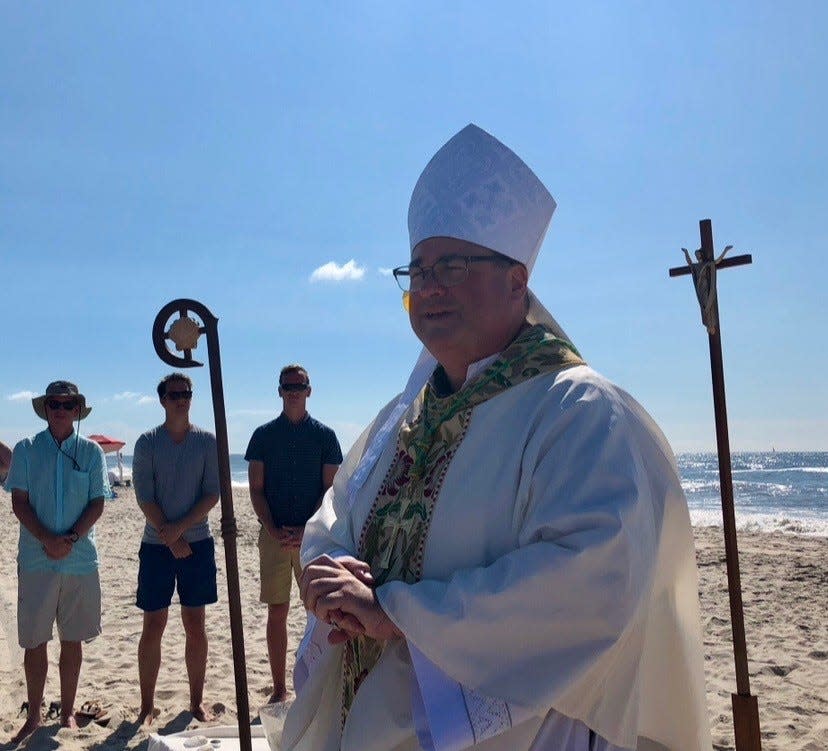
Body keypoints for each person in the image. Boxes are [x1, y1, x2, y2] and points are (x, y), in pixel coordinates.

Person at [283, 125, 712, 751]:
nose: (428, 286)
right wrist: (325, 566)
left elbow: (594, 580)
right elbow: (337, 508)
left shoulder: (580, 410)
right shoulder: (401, 414)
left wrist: (398, 614)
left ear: (518, 282)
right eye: (418, 269)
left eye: (452, 266)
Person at [5, 381, 110, 742]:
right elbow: (19, 501)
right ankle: (34, 715)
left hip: (80, 561)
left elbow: (98, 502)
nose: (61, 409)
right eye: (54, 403)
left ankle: (66, 713)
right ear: (45, 407)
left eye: (68, 403)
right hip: (36, 560)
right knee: (35, 642)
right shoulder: (26, 449)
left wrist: (71, 538)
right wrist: (47, 539)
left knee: (73, 641)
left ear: (78, 409)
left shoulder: (92, 452)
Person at [245, 364, 342, 704]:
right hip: (273, 536)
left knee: (319, 612)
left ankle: (316, 685)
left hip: (313, 538)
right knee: (278, 611)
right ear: (280, 391)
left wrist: (306, 530)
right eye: (288, 386)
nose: (293, 391)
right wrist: (272, 529)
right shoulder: (263, 435)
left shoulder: (325, 436)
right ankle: (279, 688)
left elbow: (330, 489)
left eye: (299, 386)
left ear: (309, 390)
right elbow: (256, 489)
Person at [132, 372, 220, 725]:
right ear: (162, 399)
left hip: (196, 544)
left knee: (195, 624)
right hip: (155, 546)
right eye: (174, 394)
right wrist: (169, 536)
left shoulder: (207, 442)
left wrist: (180, 532)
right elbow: (144, 497)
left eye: (186, 393)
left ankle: (196, 701)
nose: (181, 398)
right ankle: (146, 706)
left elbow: (212, 493)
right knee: (153, 624)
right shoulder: (147, 443)